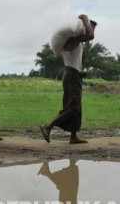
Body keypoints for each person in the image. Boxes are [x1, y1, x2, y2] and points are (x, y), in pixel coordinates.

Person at [40, 15, 97, 144]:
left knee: (77, 107)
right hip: (71, 76)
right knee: (73, 108)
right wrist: (86, 20)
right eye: (90, 28)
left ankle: (73, 136)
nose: (92, 31)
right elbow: (90, 35)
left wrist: (80, 73)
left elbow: (74, 60)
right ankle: (48, 127)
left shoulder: (76, 41)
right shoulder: (73, 40)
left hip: (74, 74)